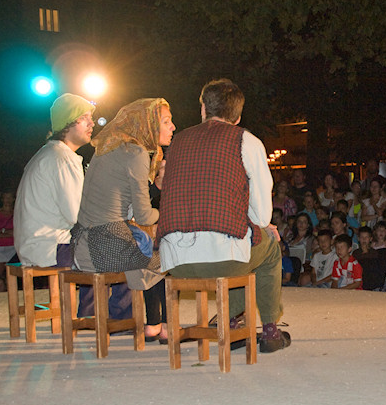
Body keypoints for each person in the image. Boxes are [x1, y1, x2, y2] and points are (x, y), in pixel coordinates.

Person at [156, 78, 290, 352]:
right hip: (223, 259)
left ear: (203, 109)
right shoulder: (246, 140)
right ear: (238, 116)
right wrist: (262, 227)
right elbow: (262, 215)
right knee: (267, 246)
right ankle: (270, 331)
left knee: (242, 242)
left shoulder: (177, 141)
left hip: (175, 261)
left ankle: (231, 322)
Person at [71, 98, 175, 342]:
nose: (172, 127)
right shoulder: (135, 152)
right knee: (169, 258)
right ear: (147, 124)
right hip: (105, 245)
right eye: (166, 122)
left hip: (83, 242)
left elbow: (125, 205)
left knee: (147, 250)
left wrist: (156, 190)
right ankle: (165, 326)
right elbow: (144, 215)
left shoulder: (109, 147)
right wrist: (170, 214)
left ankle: (154, 325)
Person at [15, 93, 95, 269]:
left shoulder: (50, 153)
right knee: (120, 256)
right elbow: (77, 215)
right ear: (67, 123)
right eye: (84, 118)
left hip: (37, 246)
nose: (92, 123)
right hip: (52, 248)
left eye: (91, 118)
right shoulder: (62, 159)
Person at [0, 190, 16, 279]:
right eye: (5, 197)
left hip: (13, 246)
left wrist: (2, 231)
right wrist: (9, 232)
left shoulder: (17, 213)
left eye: (10, 197)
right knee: (0, 275)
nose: (7, 200)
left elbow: (17, 231)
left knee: (12, 275)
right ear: (2, 199)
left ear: (13, 199)